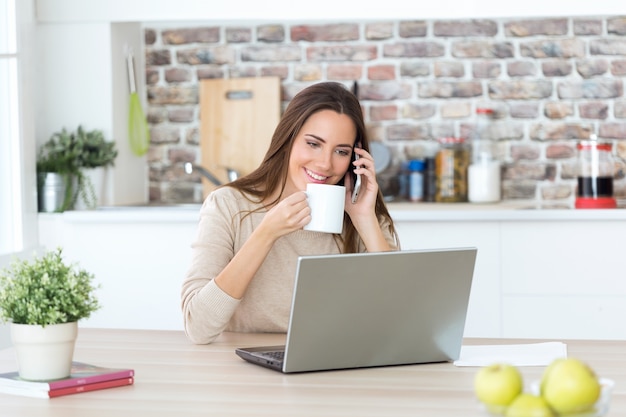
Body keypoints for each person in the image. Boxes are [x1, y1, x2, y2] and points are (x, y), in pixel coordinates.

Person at [181, 81, 400, 344]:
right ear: (288, 139)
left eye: (341, 151)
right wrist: (266, 233)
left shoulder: (362, 216)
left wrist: (365, 220)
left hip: (338, 364)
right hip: (247, 370)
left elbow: (401, 320)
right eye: (313, 143)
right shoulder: (228, 205)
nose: (325, 163)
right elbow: (198, 327)